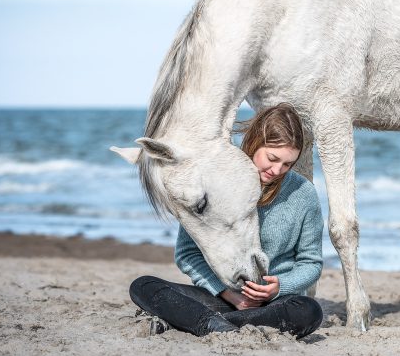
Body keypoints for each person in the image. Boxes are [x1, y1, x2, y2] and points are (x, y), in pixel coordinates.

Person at [129, 103, 324, 339]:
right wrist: (229, 295)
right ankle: (218, 321)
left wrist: (279, 287)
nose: (277, 170)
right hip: (222, 297)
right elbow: (187, 254)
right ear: (254, 142)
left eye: (287, 164)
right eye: (272, 158)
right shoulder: (217, 182)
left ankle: (205, 324)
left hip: (276, 304)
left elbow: (311, 262)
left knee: (309, 311)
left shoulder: (303, 194)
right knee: (143, 286)